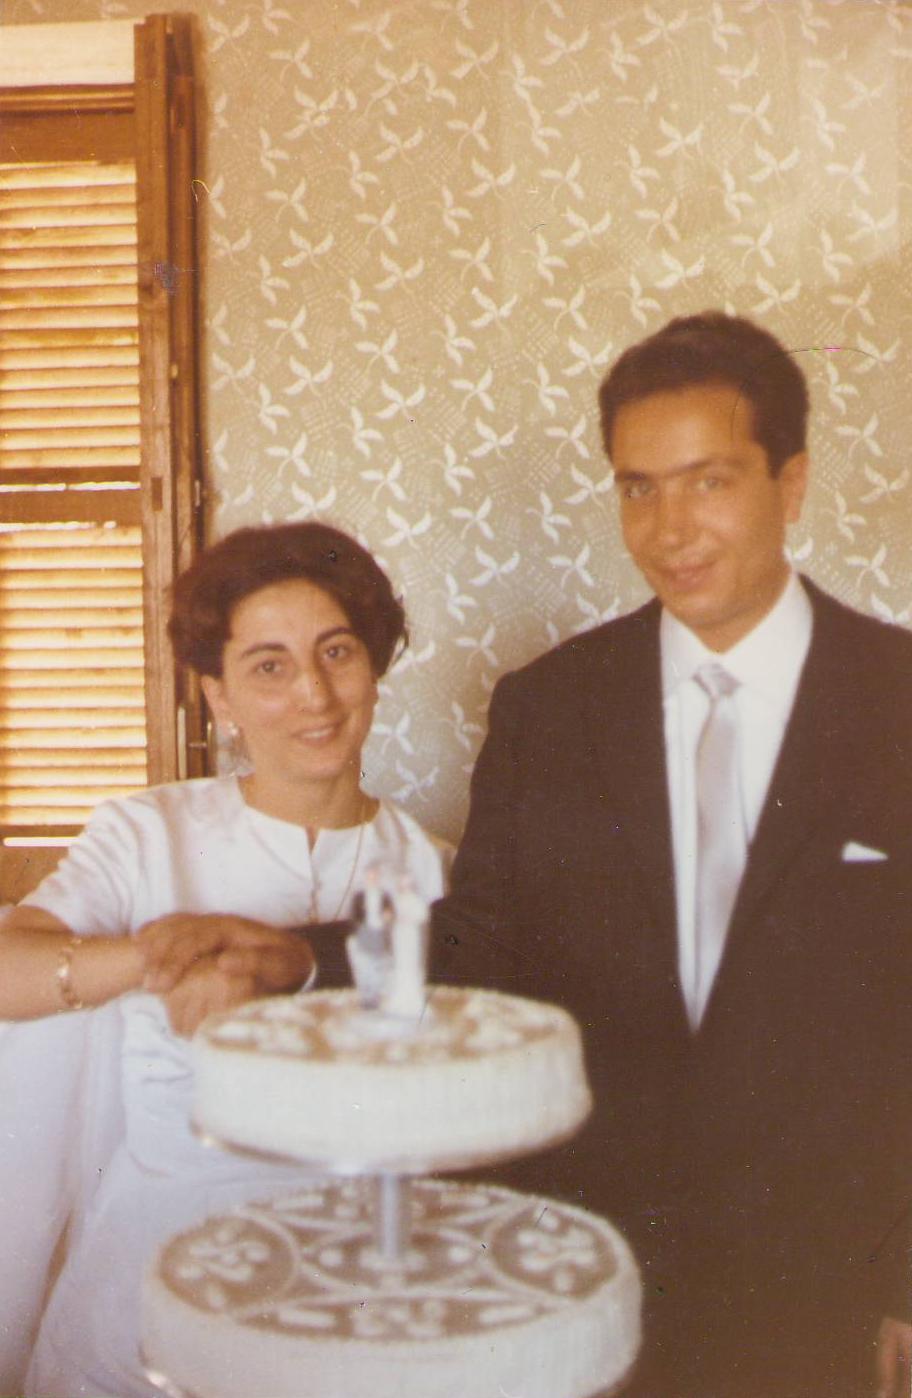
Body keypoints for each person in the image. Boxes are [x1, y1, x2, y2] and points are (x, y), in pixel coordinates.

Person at [432, 312, 912, 1398]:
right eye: (637, 487)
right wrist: (307, 964)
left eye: (708, 481)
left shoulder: (902, 699)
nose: (668, 527)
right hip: (586, 1275)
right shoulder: (547, 708)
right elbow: (476, 961)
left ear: (789, 486)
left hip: (829, 1289)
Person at [0, 521, 450, 1398]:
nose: (314, 695)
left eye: (337, 652)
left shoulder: (439, 869)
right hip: (145, 1303)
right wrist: (152, 956)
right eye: (269, 667)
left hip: (358, 1311)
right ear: (219, 696)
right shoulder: (147, 833)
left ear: (375, 666)